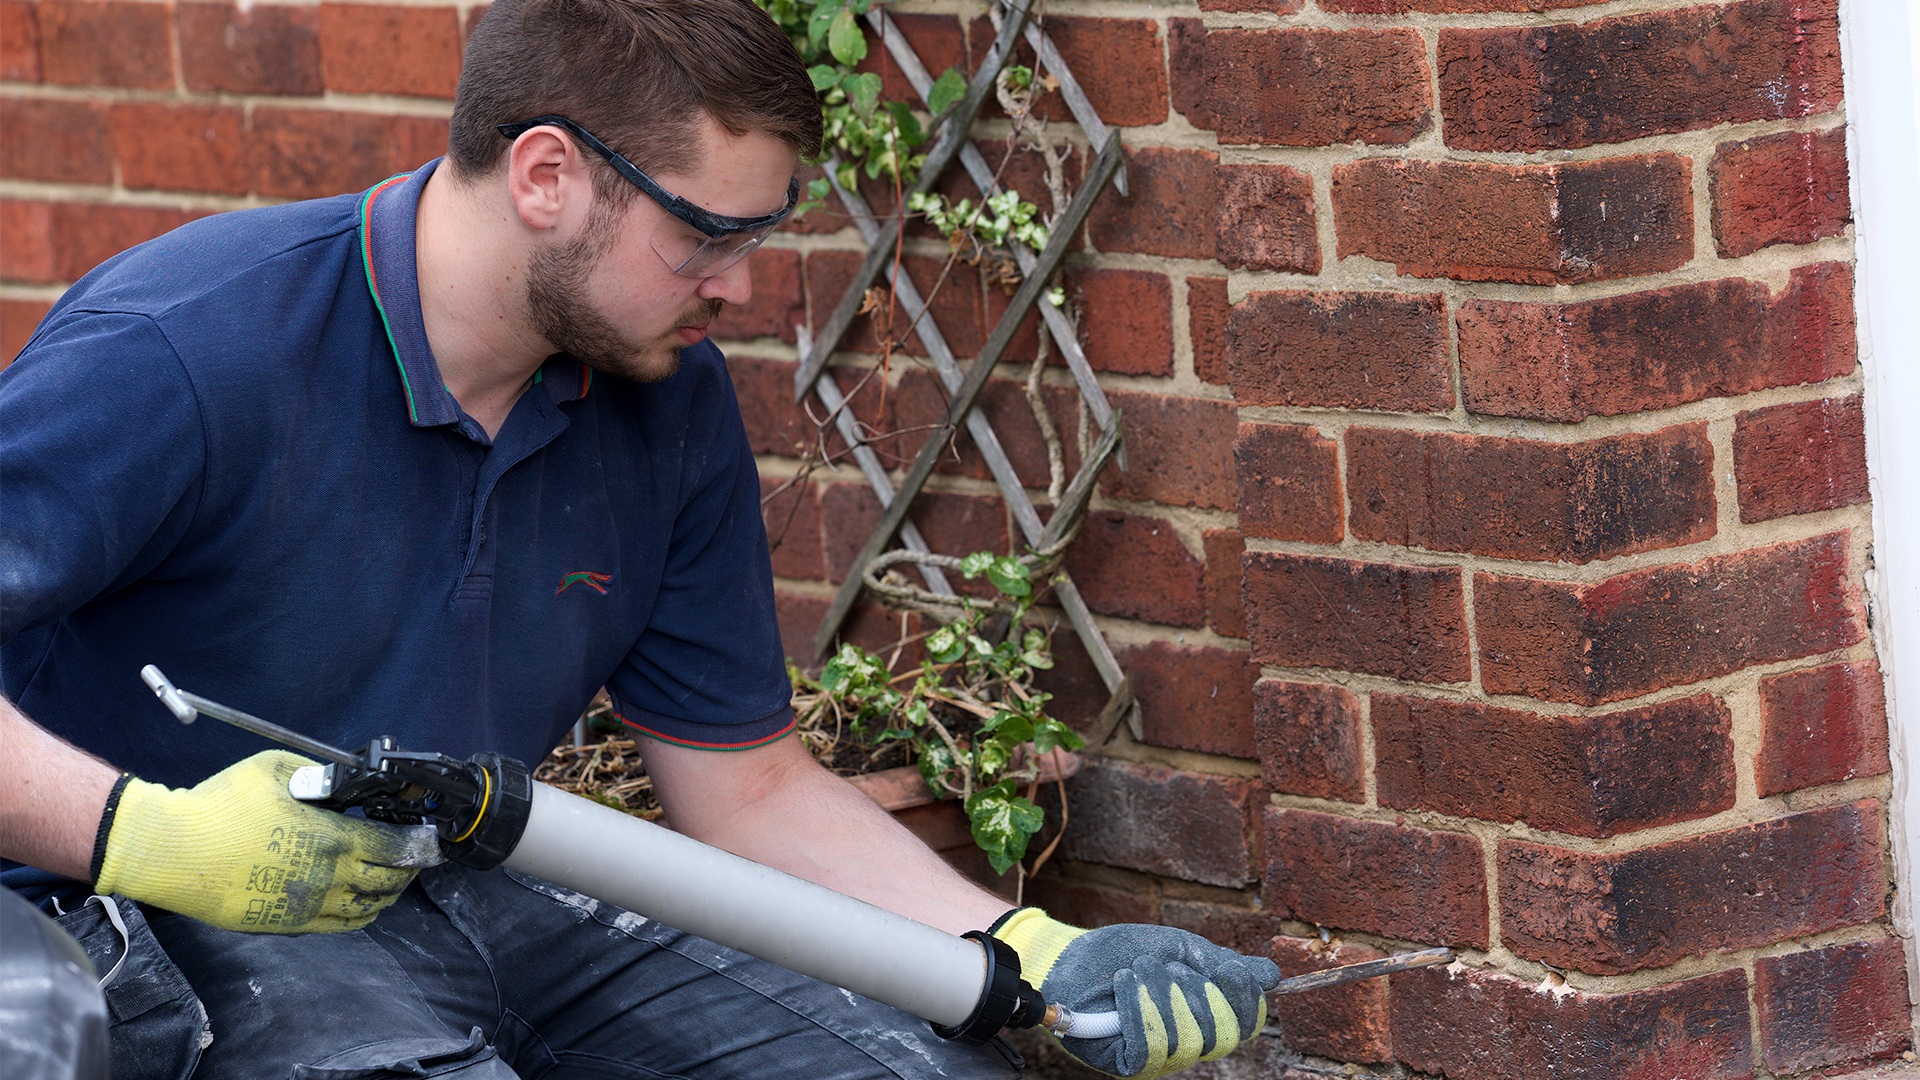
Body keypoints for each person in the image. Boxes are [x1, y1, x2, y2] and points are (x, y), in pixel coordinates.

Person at [0, 0, 1279, 1076]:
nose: (743, 285)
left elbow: (748, 787)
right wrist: (144, 833)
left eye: (761, 234)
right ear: (549, 176)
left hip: (473, 881)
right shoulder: (188, 346)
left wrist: (1028, 948)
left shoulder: (667, 395)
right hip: (153, 908)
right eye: (706, 235)